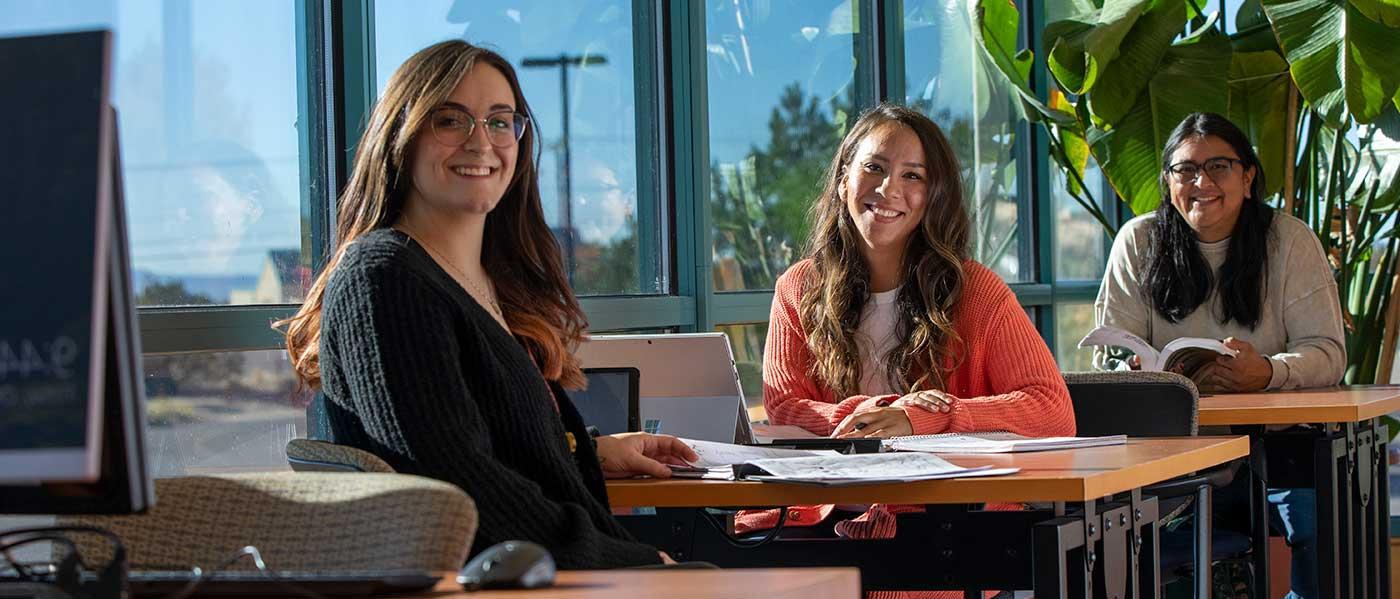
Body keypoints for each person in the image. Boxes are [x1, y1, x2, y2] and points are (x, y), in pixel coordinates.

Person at [278, 40, 696, 570]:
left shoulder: (484, 280)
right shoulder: (385, 279)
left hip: (546, 565)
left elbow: (476, 431)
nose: (482, 142)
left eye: (501, 122)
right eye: (451, 120)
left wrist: (584, 449)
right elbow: (456, 483)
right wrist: (630, 562)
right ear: (401, 137)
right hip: (514, 576)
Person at [749, 104, 1076, 580]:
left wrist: (923, 418)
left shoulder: (977, 291)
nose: (888, 190)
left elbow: (1052, 409)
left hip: (943, 532)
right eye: (874, 168)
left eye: (913, 176)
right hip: (822, 521)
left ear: (933, 196)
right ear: (844, 179)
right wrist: (880, 414)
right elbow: (784, 406)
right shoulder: (798, 287)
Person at [1091, 112, 1346, 598]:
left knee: (1324, 534)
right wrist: (1137, 372)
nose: (1201, 182)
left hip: (1281, 444)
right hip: (1174, 453)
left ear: (1248, 178)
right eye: (1185, 170)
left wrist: (1267, 373)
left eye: (1219, 167)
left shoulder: (1289, 241)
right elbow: (1110, 351)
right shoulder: (1138, 241)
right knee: (1124, 537)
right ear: (1167, 183)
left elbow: (1328, 353)